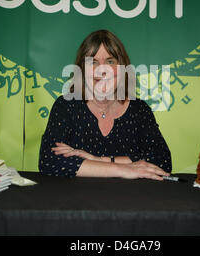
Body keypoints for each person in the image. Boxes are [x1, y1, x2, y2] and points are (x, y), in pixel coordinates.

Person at [38, 29, 172, 180]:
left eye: (110, 61)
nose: (102, 70)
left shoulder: (139, 109)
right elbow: (49, 161)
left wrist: (97, 160)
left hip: (130, 201)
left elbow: (162, 160)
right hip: (78, 201)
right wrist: (125, 170)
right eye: (93, 62)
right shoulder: (66, 106)